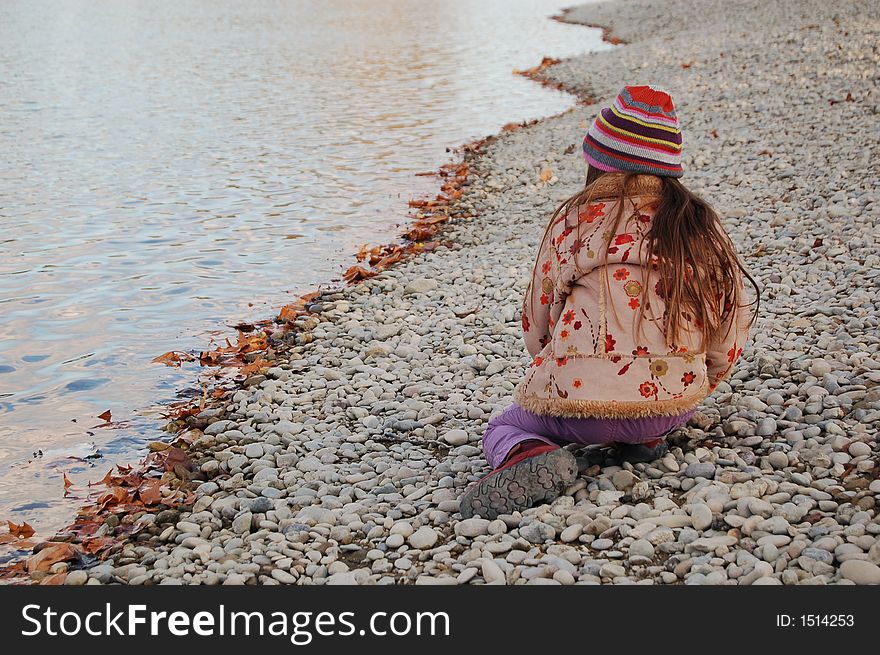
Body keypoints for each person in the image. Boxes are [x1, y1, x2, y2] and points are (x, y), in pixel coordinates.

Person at [460, 85, 760, 520]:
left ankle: (525, 453)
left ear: (597, 164)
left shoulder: (575, 222)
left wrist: (558, 368)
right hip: (668, 407)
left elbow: (537, 324)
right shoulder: (698, 228)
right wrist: (700, 388)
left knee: (505, 424)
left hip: (578, 411)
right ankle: (642, 441)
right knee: (659, 388)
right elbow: (728, 329)